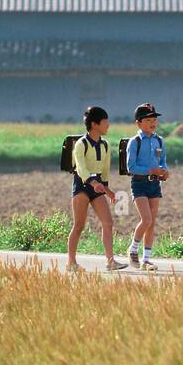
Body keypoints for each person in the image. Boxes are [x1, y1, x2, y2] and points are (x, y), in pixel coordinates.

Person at [67, 105, 127, 272]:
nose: (108, 124)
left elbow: (105, 171)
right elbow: (81, 168)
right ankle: (71, 262)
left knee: (108, 222)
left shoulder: (106, 145)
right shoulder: (81, 144)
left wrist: (108, 191)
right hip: (82, 187)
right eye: (105, 121)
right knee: (79, 225)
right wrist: (93, 183)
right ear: (94, 124)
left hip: (98, 187)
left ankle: (111, 261)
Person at [126, 102, 169, 271]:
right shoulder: (135, 142)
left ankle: (146, 259)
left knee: (152, 223)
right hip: (139, 183)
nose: (152, 123)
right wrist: (150, 170)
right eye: (148, 119)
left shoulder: (159, 141)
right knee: (146, 219)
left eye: (154, 119)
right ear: (138, 123)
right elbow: (131, 167)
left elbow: (162, 161)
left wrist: (164, 171)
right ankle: (133, 249)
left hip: (155, 184)